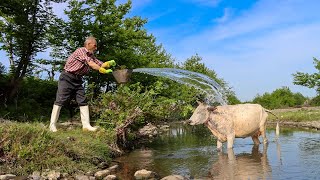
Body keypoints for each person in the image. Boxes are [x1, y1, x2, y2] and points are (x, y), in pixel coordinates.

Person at [49, 36, 116, 132]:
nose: (96, 48)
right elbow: (91, 64)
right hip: (67, 77)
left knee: (83, 101)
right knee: (60, 100)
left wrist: (108, 63)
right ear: (88, 44)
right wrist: (102, 70)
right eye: (95, 45)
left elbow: (99, 63)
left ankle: (86, 126)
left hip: (78, 80)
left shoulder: (91, 55)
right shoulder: (80, 51)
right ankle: (52, 125)